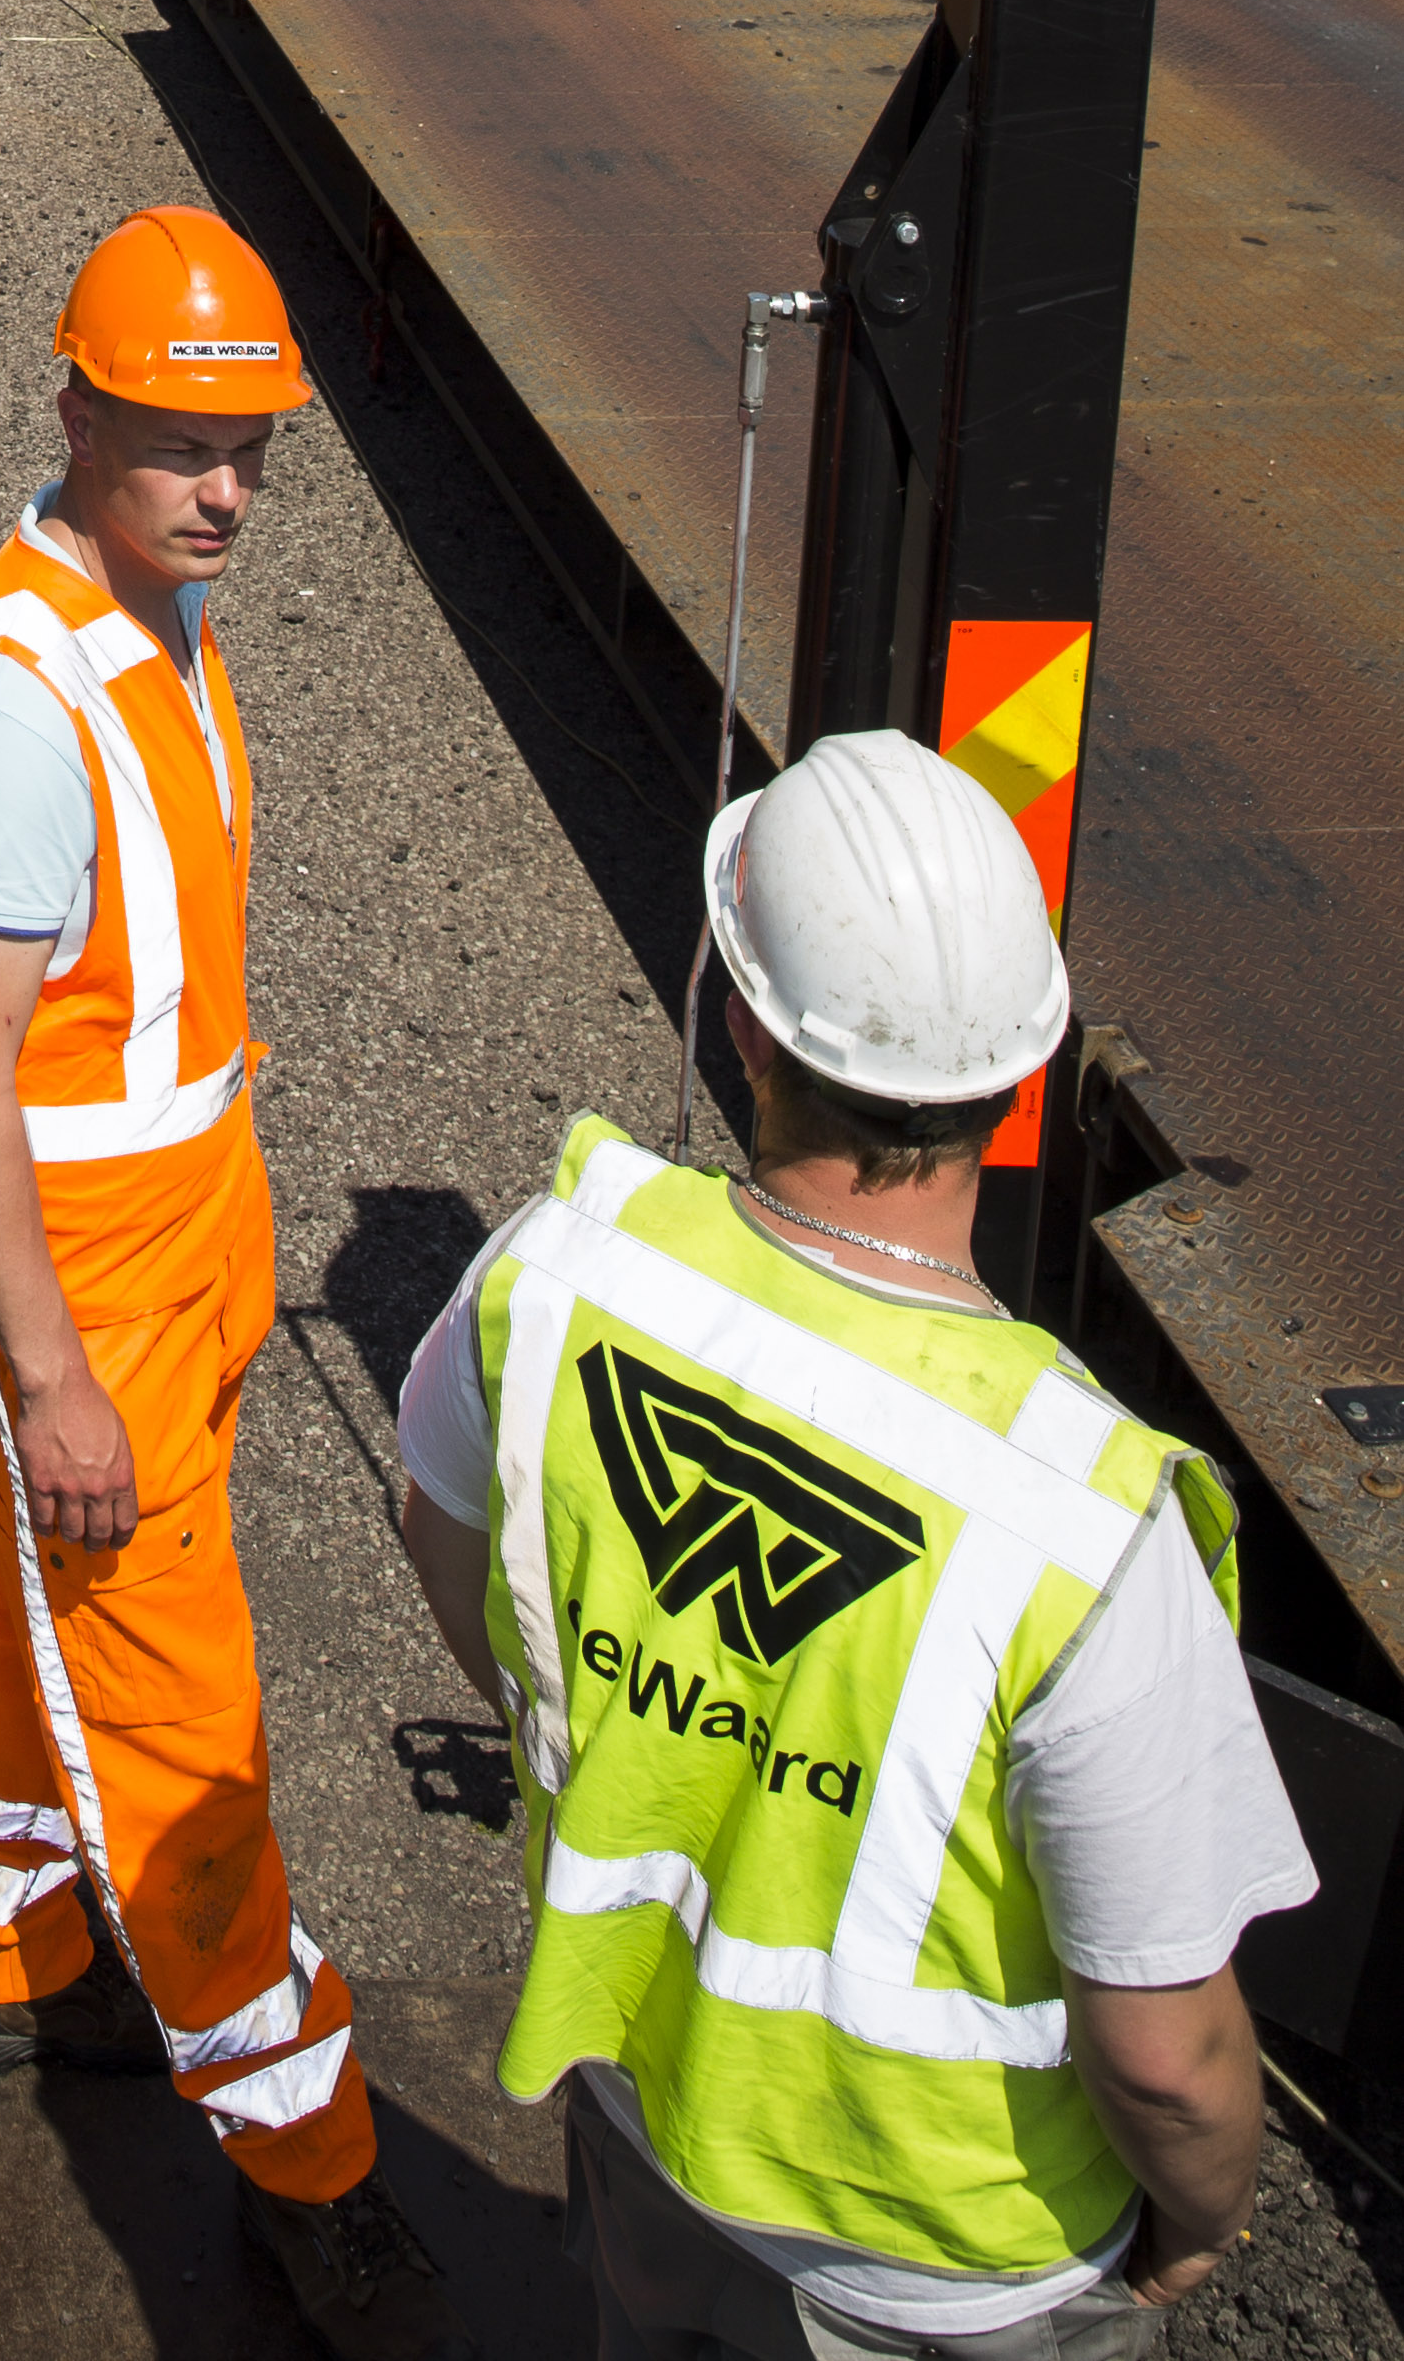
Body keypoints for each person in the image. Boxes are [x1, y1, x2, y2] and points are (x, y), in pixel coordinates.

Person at [391, 729, 1314, 2361]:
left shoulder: (554, 1276)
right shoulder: (1089, 1522)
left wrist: (659, 1733)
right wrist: (1195, 2222)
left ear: (745, 1021)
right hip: (950, 2261)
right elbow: (1167, 2052)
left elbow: (456, 1550)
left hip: (644, 2113)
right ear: (1026, 1075)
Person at [0, 206, 453, 2358]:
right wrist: (47, 1373)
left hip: (170, 1225)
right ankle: (307, 2165)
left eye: (250, 441)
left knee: (34, 1576)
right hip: (80, 1273)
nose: (223, 483)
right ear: (73, 409)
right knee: (185, 1728)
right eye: (177, 437)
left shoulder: (155, 614)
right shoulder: (20, 707)